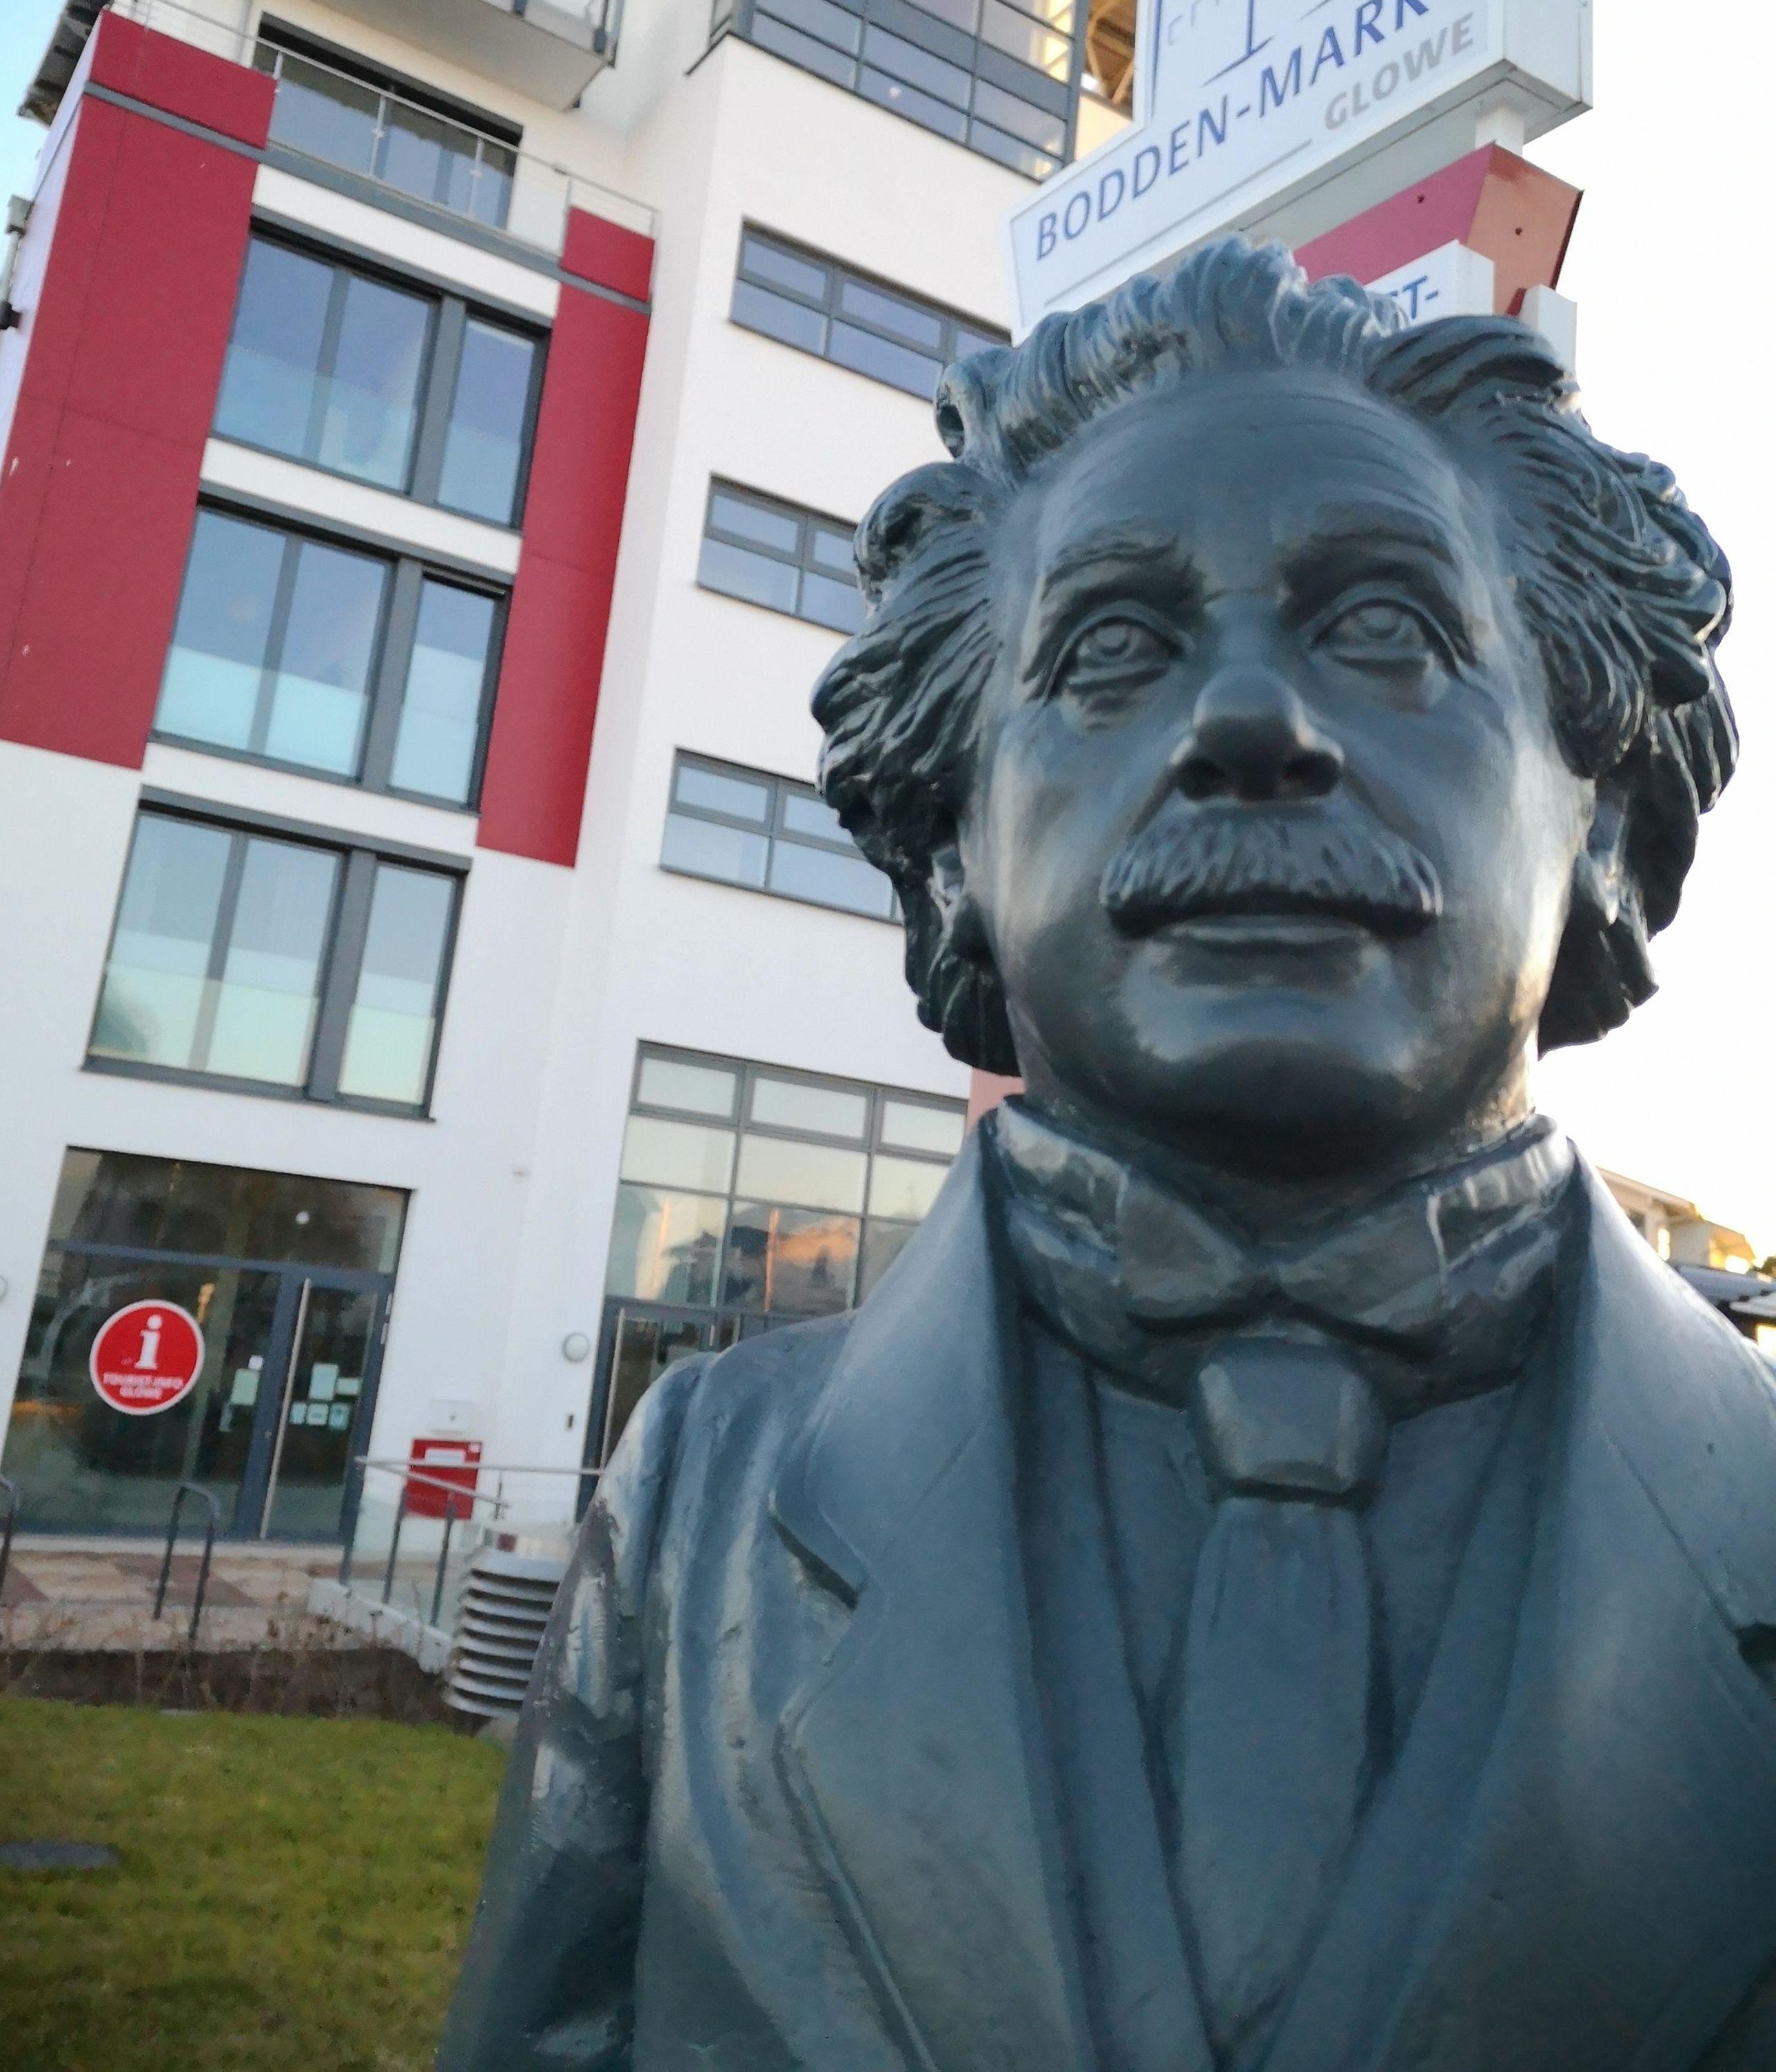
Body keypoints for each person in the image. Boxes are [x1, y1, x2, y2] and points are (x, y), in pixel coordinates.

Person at [438, 237, 1775, 2072]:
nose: (1248, 726)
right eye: (1112, 653)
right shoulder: (696, 1508)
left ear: (1606, 821)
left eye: (1386, 631)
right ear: (953, 861)